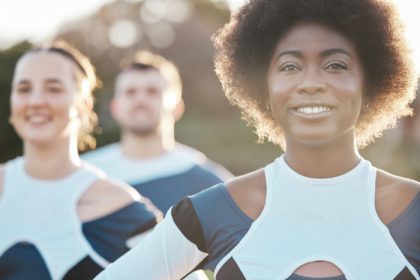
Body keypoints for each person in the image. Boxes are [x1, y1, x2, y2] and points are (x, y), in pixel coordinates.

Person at [95, 0, 420, 279]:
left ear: (371, 82)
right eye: (289, 66)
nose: (310, 82)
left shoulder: (415, 210)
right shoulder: (212, 211)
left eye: (335, 65)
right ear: (264, 89)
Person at [0, 41, 160, 280]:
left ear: (84, 105)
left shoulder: (119, 206)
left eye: (53, 89)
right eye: (24, 89)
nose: (35, 101)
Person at [82, 51, 232, 213]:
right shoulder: (85, 175)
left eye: (152, 91)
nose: (140, 100)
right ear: (115, 107)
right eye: (130, 92)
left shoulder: (209, 183)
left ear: (177, 107)